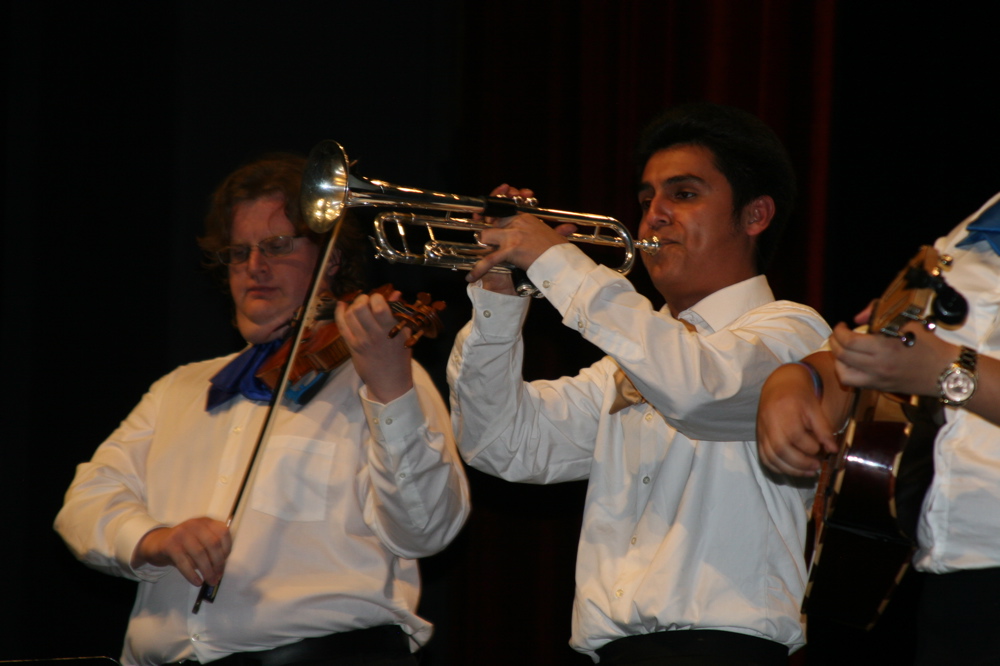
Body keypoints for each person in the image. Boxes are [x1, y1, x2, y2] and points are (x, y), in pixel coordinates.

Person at [447, 103, 831, 664]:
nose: (653, 215)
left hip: (725, 651)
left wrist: (560, 262)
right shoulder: (632, 361)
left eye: (684, 194)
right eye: (647, 197)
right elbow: (501, 443)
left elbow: (701, 392)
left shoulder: (794, 334)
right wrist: (500, 296)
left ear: (755, 215)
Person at [55, 154, 471, 666]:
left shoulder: (381, 379)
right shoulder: (179, 389)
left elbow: (427, 529)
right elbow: (84, 503)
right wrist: (155, 540)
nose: (255, 267)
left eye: (277, 246)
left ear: (332, 258)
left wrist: (389, 387)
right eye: (238, 252)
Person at [756, 193, 1000, 664]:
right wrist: (798, 379)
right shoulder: (968, 237)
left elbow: (938, 364)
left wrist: (949, 370)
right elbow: (877, 354)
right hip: (952, 582)